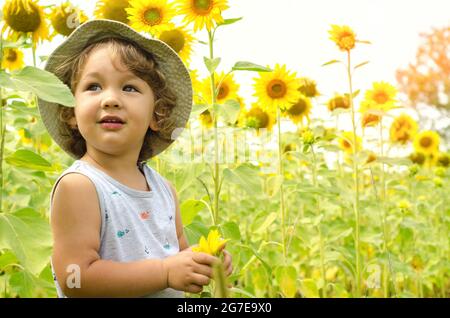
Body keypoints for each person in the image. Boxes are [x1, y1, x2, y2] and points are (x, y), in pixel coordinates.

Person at [37, 19, 232, 298]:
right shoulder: (80, 186)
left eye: (129, 88)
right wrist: (164, 272)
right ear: (70, 111)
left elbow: (176, 252)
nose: (111, 99)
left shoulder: (164, 189)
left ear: (157, 114)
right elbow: (75, 278)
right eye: (93, 87)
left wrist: (202, 261)